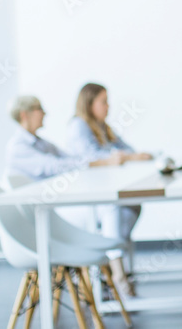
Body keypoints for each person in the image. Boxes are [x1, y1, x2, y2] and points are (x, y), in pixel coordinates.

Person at [65, 82, 153, 297]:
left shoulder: (102, 127)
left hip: (102, 194)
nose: (108, 107)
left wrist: (125, 157)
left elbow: (126, 152)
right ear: (89, 103)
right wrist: (119, 158)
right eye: (103, 102)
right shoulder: (79, 126)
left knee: (131, 205)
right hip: (83, 201)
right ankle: (117, 273)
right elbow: (91, 159)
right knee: (113, 208)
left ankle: (109, 263)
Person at [5, 95, 126, 180]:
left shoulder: (42, 143)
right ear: (24, 114)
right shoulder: (18, 147)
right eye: (39, 109)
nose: (44, 113)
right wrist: (103, 163)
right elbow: (56, 167)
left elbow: (70, 158)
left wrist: (100, 161)